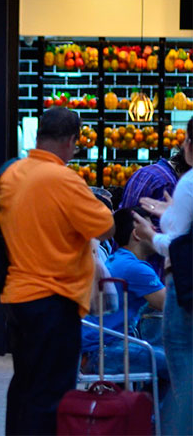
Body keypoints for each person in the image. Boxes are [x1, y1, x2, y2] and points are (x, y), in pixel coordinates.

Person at [0, 107, 115, 435]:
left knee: (24, 386)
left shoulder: (11, 174)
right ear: (71, 141)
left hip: (16, 297)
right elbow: (105, 226)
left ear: (39, 135)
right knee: (50, 396)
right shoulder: (64, 179)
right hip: (54, 300)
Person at [134, 117, 193, 435]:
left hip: (185, 295)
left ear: (188, 146)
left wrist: (150, 235)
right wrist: (170, 213)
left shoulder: (189, 182)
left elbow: (179, 244)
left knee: (183, 375)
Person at [80, 207, 169, 383]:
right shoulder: (135, 268)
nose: (157, 234)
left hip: (94, 350)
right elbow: (172, 306)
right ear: (137, 234)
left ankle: (152, 408)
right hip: (106, 351)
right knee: (178, 364)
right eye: (152, 229)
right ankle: (160, 410)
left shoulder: (118, 258)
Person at [118, 147, 191, 277]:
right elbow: (169, 242)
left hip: (123, 263)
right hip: (150, 274)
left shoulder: (146, 171)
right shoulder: (170, 186)